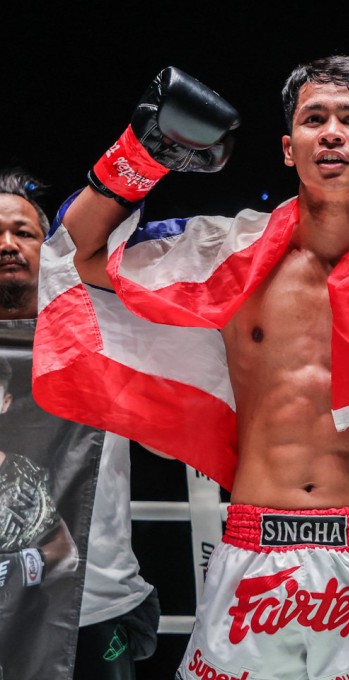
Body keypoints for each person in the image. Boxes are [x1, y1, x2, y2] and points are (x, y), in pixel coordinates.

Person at [34, 57, 349, 680]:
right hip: (251, 548)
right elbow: (80, 253)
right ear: (289, 149)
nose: (332, 132)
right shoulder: (228, 252)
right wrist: (143, 152)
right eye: (314, 119)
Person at [1, 167, 160, 679]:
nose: (7, 245)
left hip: (95, 608)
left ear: (47, 249)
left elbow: (167, 441)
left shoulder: (103, 335)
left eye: (23, 233)